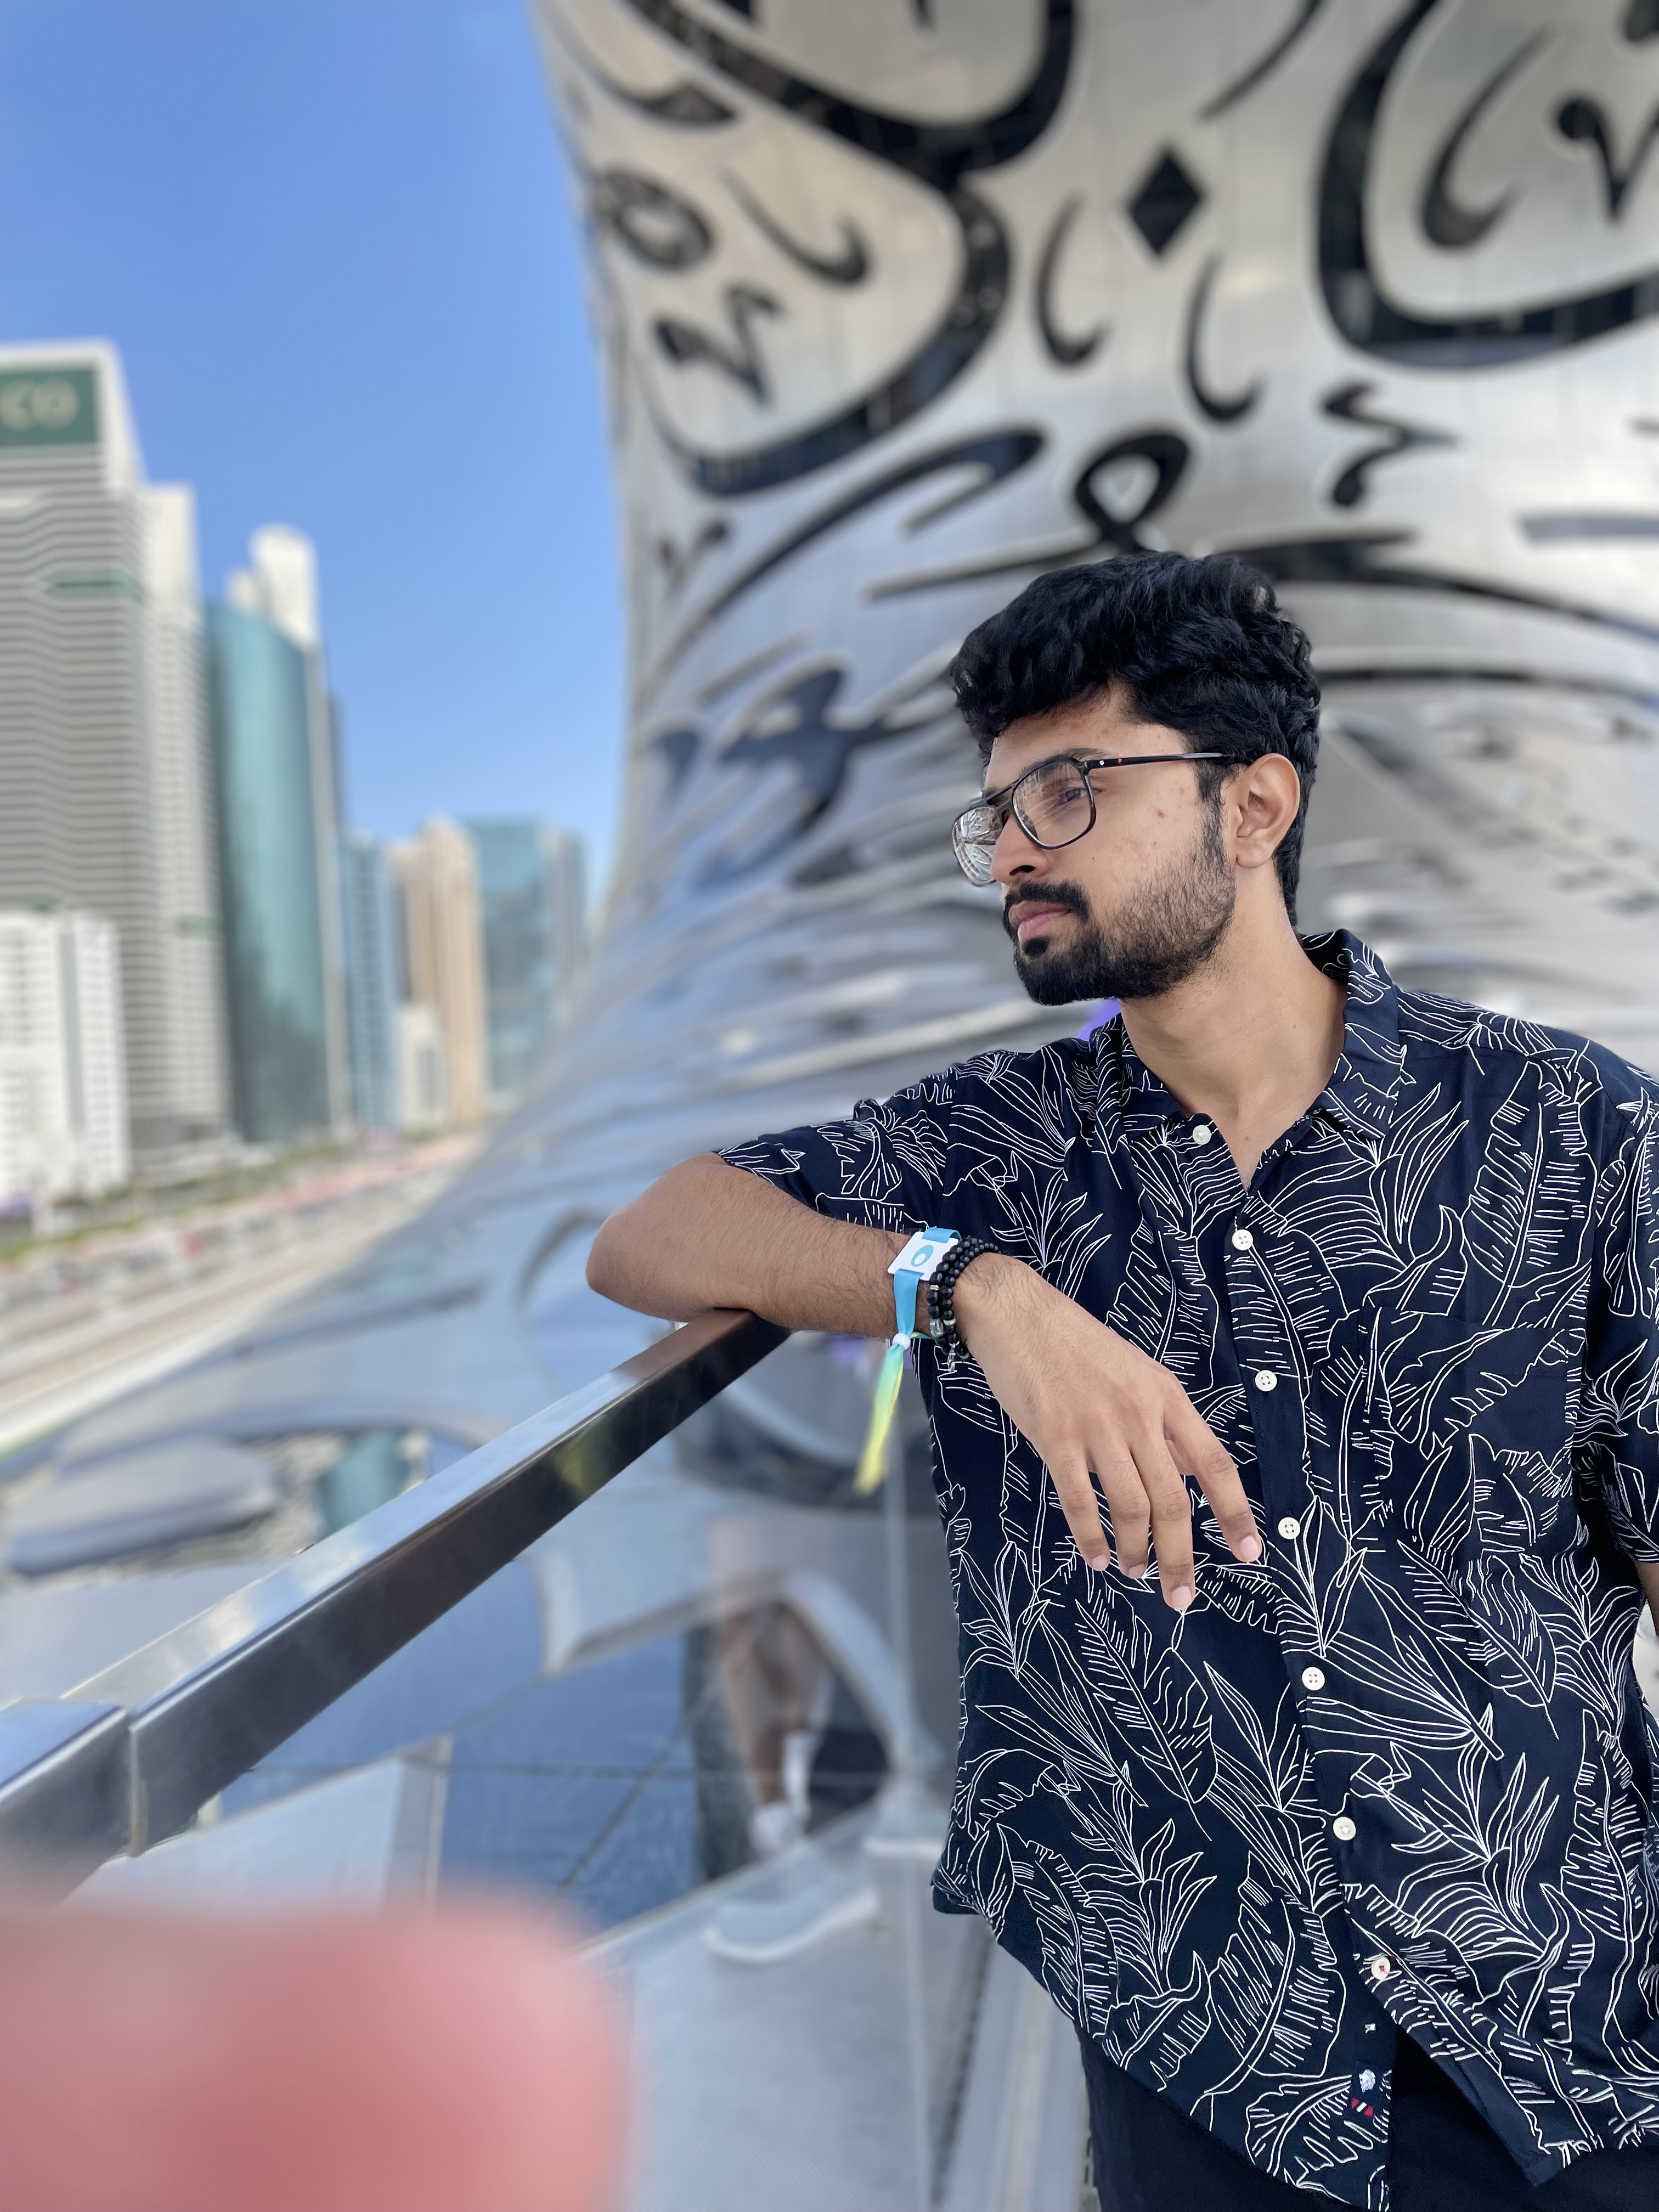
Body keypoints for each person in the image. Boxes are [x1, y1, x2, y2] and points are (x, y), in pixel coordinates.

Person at [588, 552, 1659, 2210]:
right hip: (1209, 2053)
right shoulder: (990, 1153)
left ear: (1255, 806)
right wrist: (973, 1290)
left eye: (1070, 791)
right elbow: (652, 1236)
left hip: (1561, 2021)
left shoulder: (1564, 1126)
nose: (1015, 847)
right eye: (997, 811)